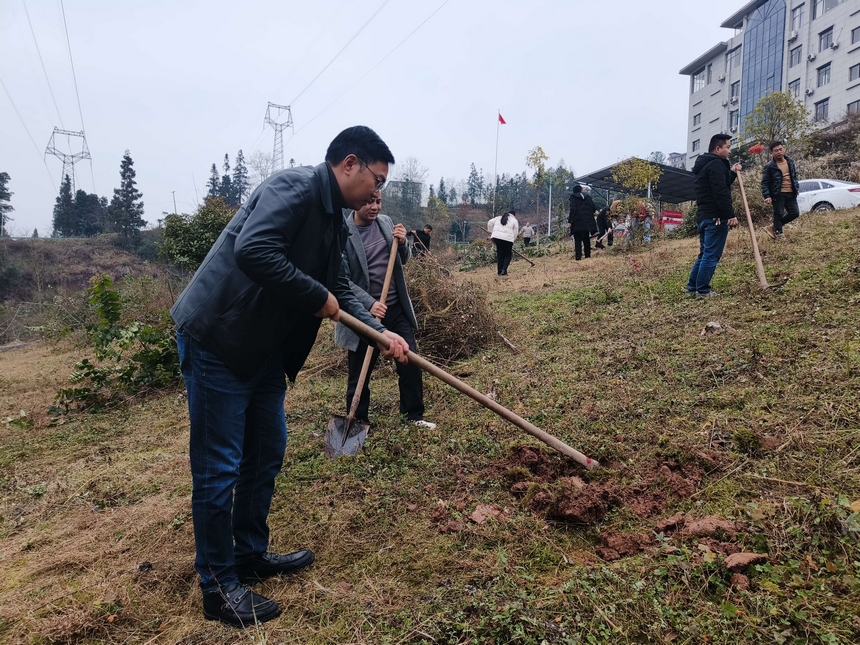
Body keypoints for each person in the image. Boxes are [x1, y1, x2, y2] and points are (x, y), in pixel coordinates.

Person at [170, 126, 410, 628]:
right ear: (350, 164)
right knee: (219, 467)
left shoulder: (336, 222)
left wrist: (379, 331)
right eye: (376, 179)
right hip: (220, 336)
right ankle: (217, 588)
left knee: (266, 453)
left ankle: (248, 555)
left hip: (262, 349)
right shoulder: (293, 188)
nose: (377, 192)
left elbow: (340, 284)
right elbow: (254, 250)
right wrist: (313, 296)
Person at [335, 191, 435, 429]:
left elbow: (404, 259)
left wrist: (402, 243)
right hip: (363, 316)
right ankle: (358, 422)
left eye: (378, 202)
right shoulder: (343, 233)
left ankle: (413, 415)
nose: (374, 207)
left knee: (410, 361)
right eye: (369, 201)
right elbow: (342, 281)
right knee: (359, 374)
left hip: (395, 310)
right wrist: (369, 303)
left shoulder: (386, 223)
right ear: (357, 201)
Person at [685, 133, 743, 299]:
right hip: (715, 218)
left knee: (704, 254)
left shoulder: (704, 165)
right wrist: (729, 214)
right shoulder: (716, 165)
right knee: (711, 255)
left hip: (704, 217)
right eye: (728, 147)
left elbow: (718, 184)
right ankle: (702, 291)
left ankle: (692, 287)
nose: (729, 151)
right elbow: (720, 192)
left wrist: (731, 172)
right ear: (718, 148)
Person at [760, 141, 800, 240]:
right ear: (771, 153)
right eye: (776, 150)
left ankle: (774, 227)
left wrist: (796, 187)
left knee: (795, 213)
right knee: (779, 213)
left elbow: (794, 176)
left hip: (791, 192)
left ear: (784, 149)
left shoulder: (790, 161)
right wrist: (767, 196)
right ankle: (779, 233)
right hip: (778, 193)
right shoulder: (770, 166)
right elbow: (765, 182)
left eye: (780, 149)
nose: (779, 152)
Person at [567, 185, 597, 260]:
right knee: (586, 237)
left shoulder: (573, 197)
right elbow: (594, 208)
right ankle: (587, 255)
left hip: (577, 221)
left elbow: (573, 209)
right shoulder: (588, 197)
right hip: (587, 221)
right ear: (581, 190)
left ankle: (578, 256)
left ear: (574, 191)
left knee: (577, 239)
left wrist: (570, 221)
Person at [487, 209, 519, 275]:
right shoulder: (514, 220)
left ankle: (499, 272)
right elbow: (516, 232)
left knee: (500, 255)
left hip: (497, 238)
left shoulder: (499, 218)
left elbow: (490, 222)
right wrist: (513, 239)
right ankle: (504, 270)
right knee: (507, 255)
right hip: (508, 239)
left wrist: (491, 233)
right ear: (513, 215)